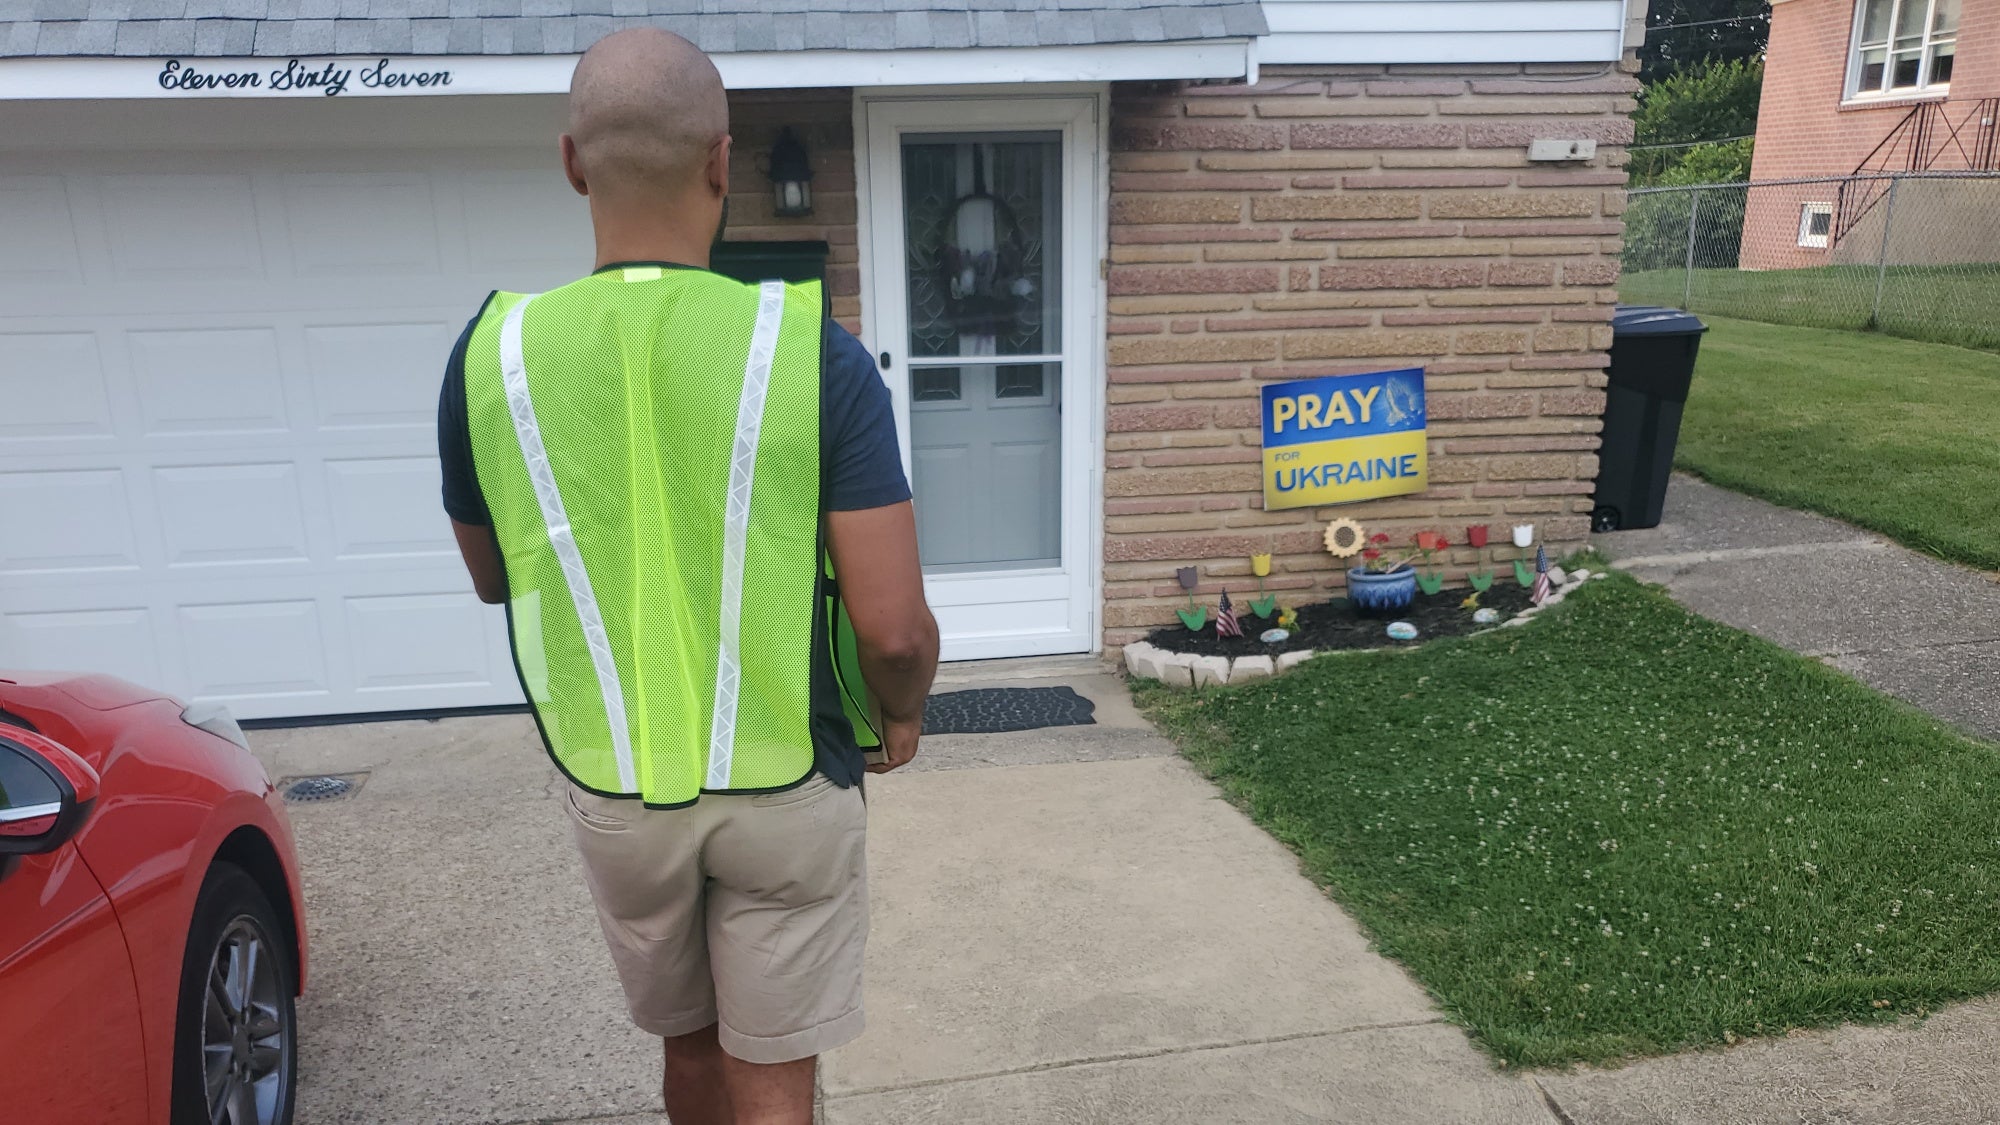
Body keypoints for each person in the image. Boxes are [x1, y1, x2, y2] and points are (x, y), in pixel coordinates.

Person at [435, 28, 938, 1125]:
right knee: (776, 1076)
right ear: (721, 160)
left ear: (571, 163)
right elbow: (893, 629)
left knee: (692, 1049)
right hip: (785, 777)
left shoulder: (494, 355)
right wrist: (897, 721)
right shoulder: (809, 351)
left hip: (613, 780)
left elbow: (490, 576)